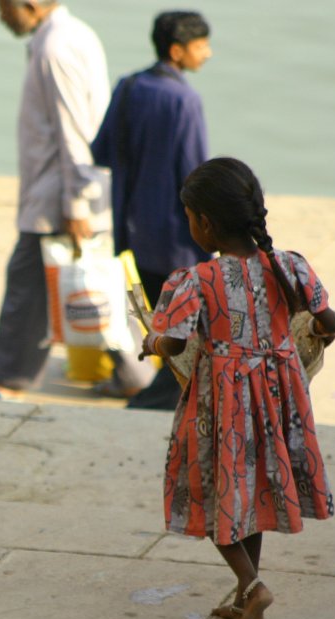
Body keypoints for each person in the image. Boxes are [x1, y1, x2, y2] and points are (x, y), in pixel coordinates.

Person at [139, 158, 335, 619]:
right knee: (253, 491)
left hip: (220, 403)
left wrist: (150, 341)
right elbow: (328, 320)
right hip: (277, 401)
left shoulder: (194, 282)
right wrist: (313, 333)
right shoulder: (288, 266)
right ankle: (245, 597)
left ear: (204, 223)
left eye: (190, 217)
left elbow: (175, 344)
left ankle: (253, 584)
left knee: (212, 491)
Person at [0, 0, 151, 398]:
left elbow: (75, 130)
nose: (0, 14)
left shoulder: (55, 46)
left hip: (57, 196)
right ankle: (136, 375)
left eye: (4, 5)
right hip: (65, 190)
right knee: (95, 284)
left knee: (29, 289)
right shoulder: (71, 35)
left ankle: (9, 380)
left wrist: (77, 204)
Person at [91, 10, 212, 408]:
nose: (207, 54)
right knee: (186, 332)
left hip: (134, 233)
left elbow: (102, 151)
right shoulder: (185, 101)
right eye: (201, 46)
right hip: (179, 238)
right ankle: (157, 400)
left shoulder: (128, 87)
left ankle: (158, 391)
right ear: (178, 51)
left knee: (158, 320)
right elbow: (196, 176)